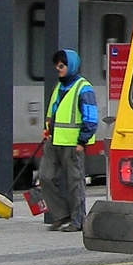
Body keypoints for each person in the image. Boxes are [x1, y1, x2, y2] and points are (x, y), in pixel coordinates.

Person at [43, 49, 98, 232]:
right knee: (45, 177)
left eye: (61, 65)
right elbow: (53, 112)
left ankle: (78, 221)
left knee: (75, 183)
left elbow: (91, 118)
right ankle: (61, 214)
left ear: (71, 65)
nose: (58, 69)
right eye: (56, 65)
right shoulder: (59, 87)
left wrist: (82, 141)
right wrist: (47, 129)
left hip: (73, 144)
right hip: (54, 141)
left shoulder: (84, 88)